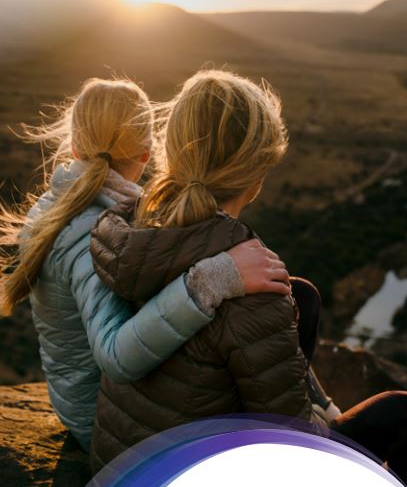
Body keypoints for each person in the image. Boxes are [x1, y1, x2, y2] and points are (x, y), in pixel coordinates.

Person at [89, 70, 407, 487]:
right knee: (402, 413)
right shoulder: (249, 290)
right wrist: (327, 429)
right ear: (257, 172)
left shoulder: (131, 231)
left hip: (122, 465)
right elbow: (297, 450)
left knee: (302, 295)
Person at [0, 77, 292, 451]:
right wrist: (213, 280)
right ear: (146, 154)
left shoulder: (59, 204)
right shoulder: (88, 228)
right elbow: (116, 354)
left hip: (90, 400)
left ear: (74, 145)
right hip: (100, 416)